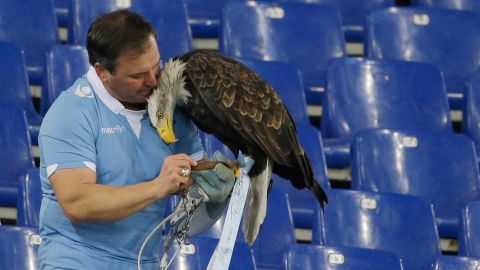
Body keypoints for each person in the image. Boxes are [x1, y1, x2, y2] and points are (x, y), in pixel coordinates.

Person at [37, 10, 235, 269]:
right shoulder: (71, 112)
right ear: (102, 72)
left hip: (143, 263)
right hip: (75, 261)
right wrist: (157, 187)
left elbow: (184, 225)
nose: (153, 81)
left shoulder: (172, 111)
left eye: (156, 66)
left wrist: (214, 199)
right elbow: (78, 203)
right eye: (137, 75)